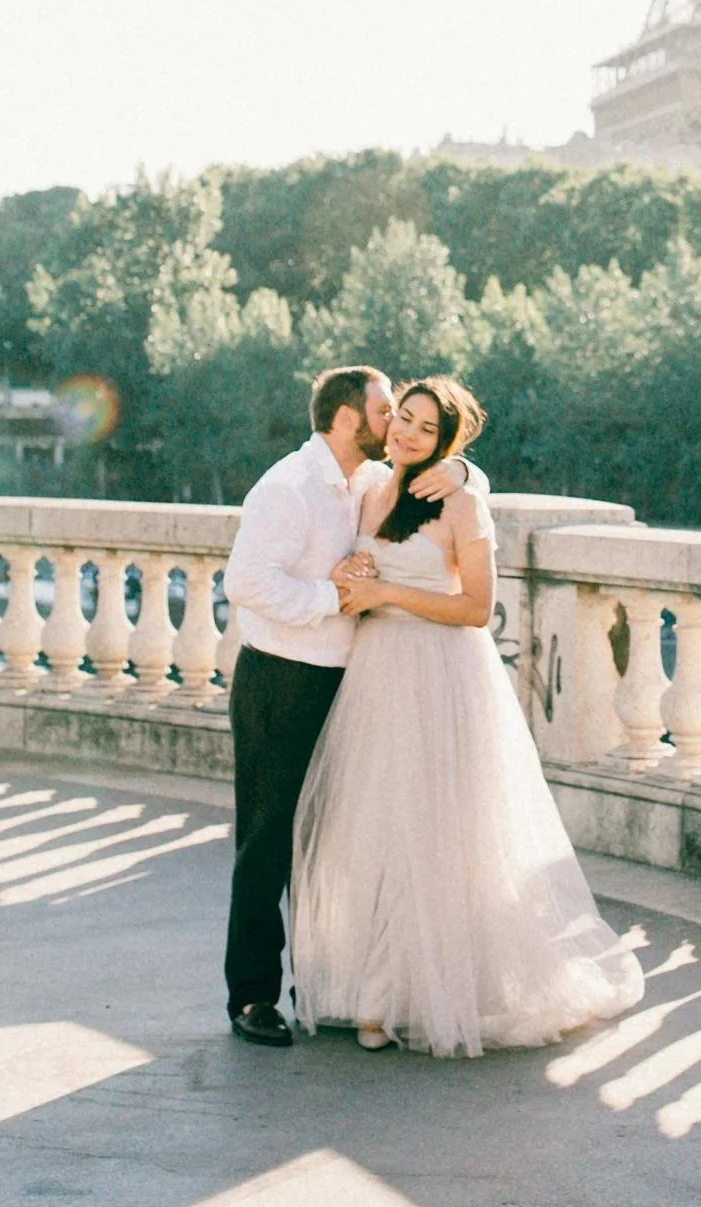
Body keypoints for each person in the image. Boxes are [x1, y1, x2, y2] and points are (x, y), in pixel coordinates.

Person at [290, 374, 645, 1057]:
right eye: (403, 419)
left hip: (440, 675)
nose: (407, 433)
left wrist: (389, 587)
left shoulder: (461, 502)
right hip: (375, 675)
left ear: (447, 442)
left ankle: (415, 996)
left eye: (426, 428)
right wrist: (358, 580)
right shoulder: (370, 489)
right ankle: (374, 990)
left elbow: (476, 608)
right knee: (374, 828)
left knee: (439, 833)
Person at [220, 363, 469, 1044]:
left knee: (333, 844)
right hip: (280, 677)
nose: (394, 424)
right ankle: (251, 998)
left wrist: (466, 474)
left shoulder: (363, 481)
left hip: (345, 679)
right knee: (267, 841)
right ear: (348, 418)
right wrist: (332, 598)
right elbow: (245, 582)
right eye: (386, 411)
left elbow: (437, 489)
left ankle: (324, 985)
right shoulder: (288, 488)